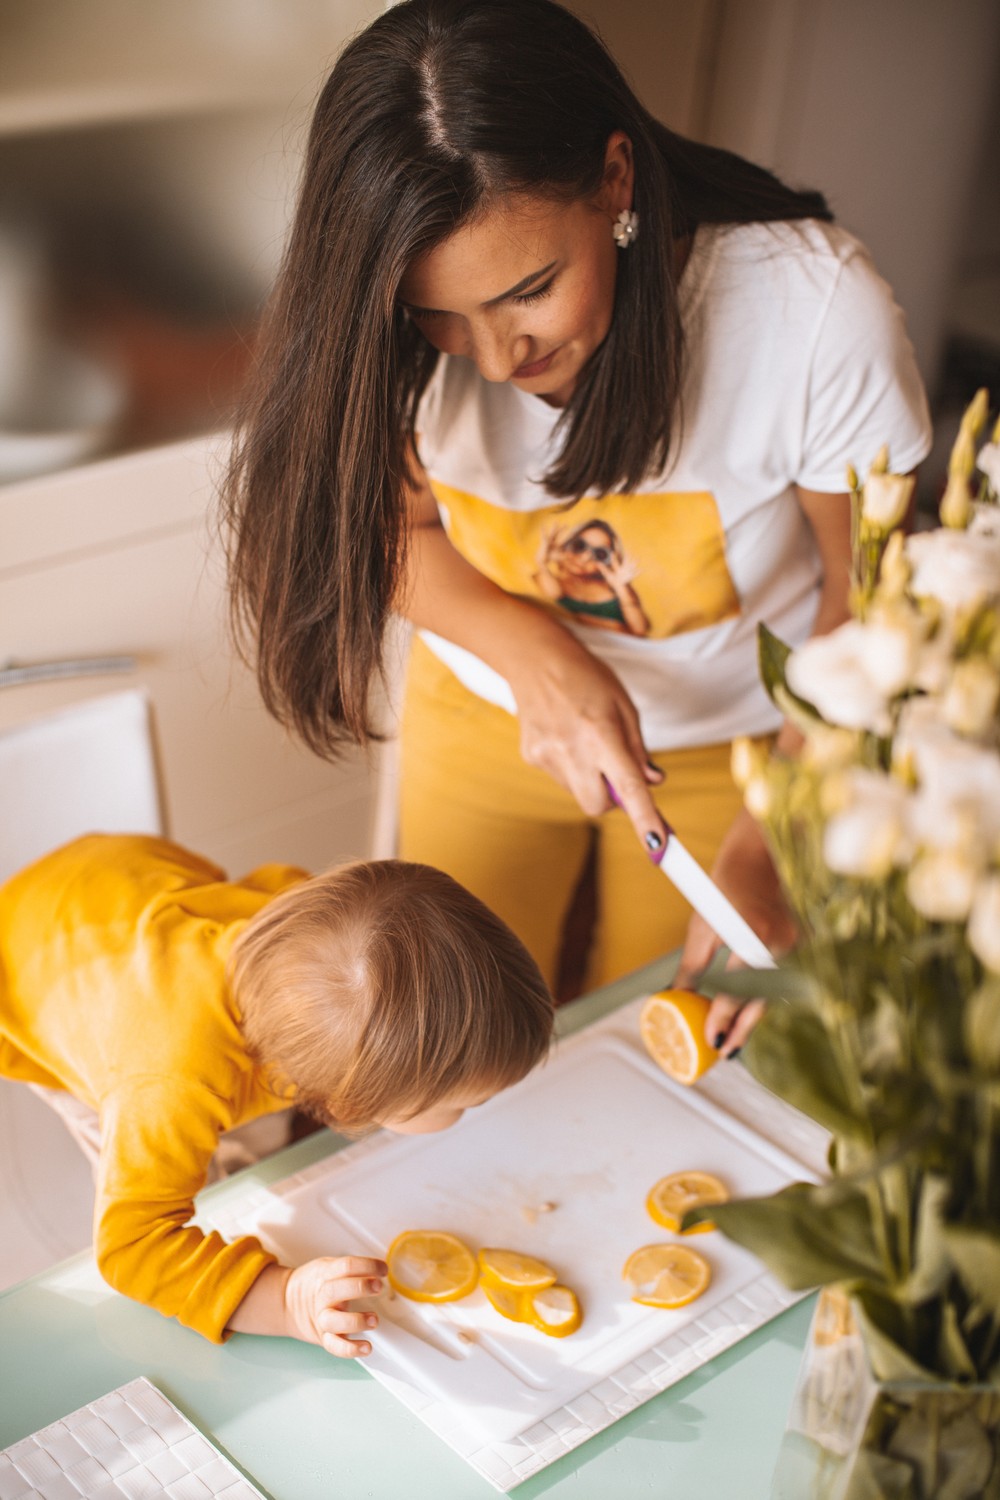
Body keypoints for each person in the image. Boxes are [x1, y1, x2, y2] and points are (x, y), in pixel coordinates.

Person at [221, 0, 931, 1053]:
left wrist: (774, 836)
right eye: (442, 318)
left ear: (614, 182)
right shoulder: (383, 339)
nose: (498, 360)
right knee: (444, 1042)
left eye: (529, 292)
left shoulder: (810, 314)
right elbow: (385, 529)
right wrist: (529, 650)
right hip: (485, 719)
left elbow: (862, 592)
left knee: (657, 1041)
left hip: (739, 749)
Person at [0, 833, 552, 1353]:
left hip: (114, 877)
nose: (479, 1109)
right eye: (464, 1103)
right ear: (341, 1109)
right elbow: (131, 1249)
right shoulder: (163, 1090)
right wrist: (285, 1301)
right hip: (27, 967)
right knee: (136, 1155)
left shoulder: (313, 928)